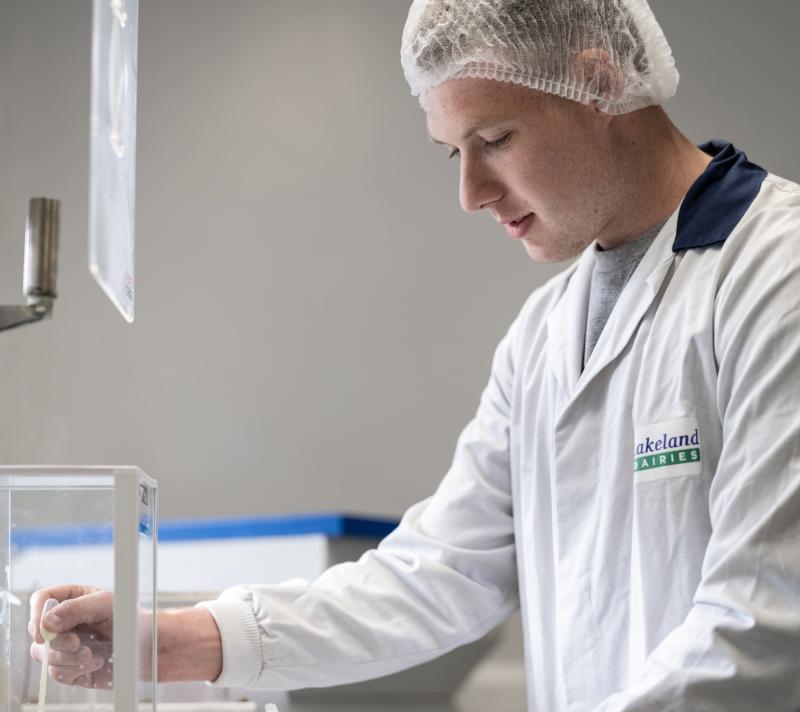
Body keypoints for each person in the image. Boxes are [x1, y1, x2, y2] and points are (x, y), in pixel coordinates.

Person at [30, 0, 800, 709]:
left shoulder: (777, 271)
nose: (471, 192)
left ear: (598, 82)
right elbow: (439, 573)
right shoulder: (545, 332)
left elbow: (761, 628)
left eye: (494, 139)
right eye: (451, 153)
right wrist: (173, 641)